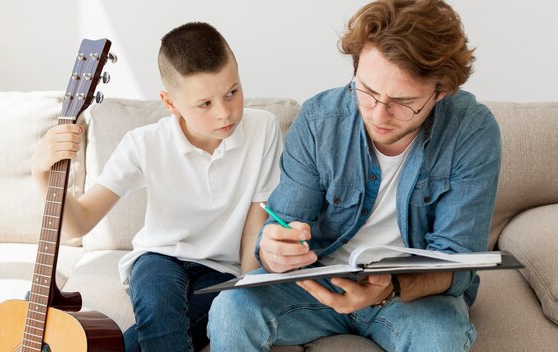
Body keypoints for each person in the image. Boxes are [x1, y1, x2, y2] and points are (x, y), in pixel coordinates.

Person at [207, 0, 501, 351]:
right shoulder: (320, 121)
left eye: (403, 102)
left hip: (410, 296)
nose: (379, 114)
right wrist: (274, 249)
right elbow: (283, 224)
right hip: (320, 283)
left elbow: (457, 263)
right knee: (231, 307)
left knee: (440, 336)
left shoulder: (472, 130)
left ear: (442, 91)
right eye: (367, 91)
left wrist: (390, 287)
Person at [31, 22, 283, 352]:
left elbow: (255, 224)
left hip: (223, 270)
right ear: (170, 102)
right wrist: (41, 173)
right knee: (158, 306)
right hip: (159, 258)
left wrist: (247, 290)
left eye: (232, 92)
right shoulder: (144, 143)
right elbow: (80, 222)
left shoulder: (263, 128)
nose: (225, 113)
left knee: (171, 329)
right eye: (204, 104)